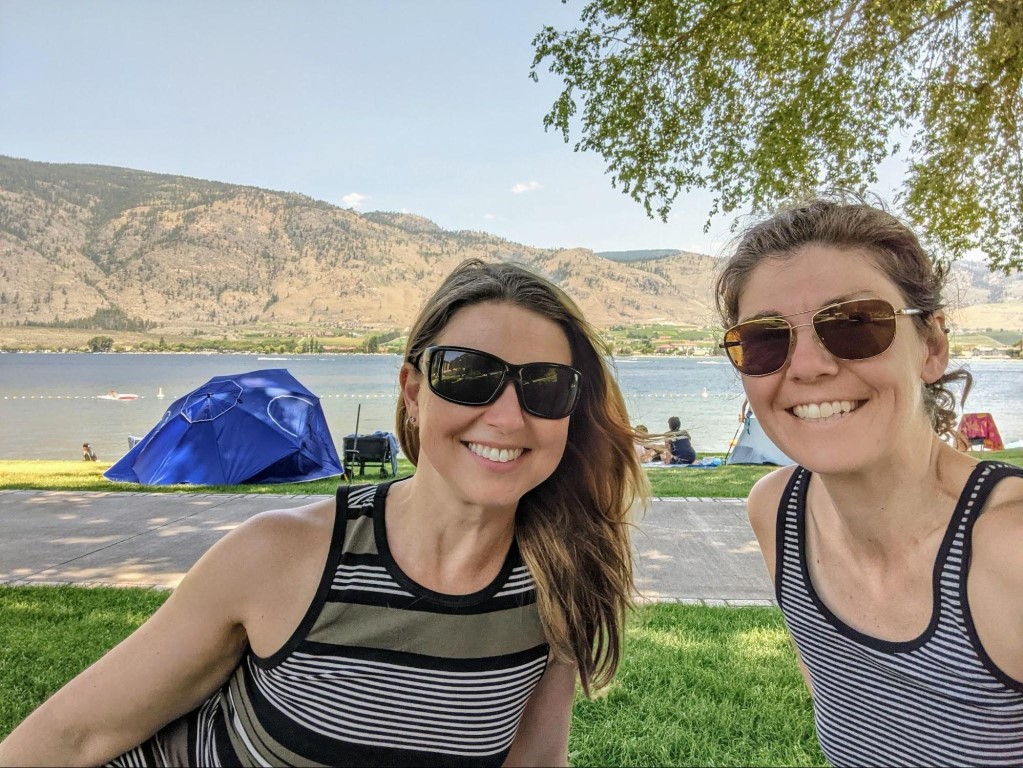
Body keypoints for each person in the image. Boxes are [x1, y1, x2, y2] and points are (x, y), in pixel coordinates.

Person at [0, 258, 644, 767]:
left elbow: (533, 763)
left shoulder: (561, 582)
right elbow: (75, 735)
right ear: (413, 393)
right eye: (468, 375)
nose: (506, 416)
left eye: (543, 385)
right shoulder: (280, 554)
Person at [714, 194, 1023, 766]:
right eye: (765, 339)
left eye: (854, 324)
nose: (807, 366)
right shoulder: (777, 513)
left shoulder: (1012, 548)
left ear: (931, 347)